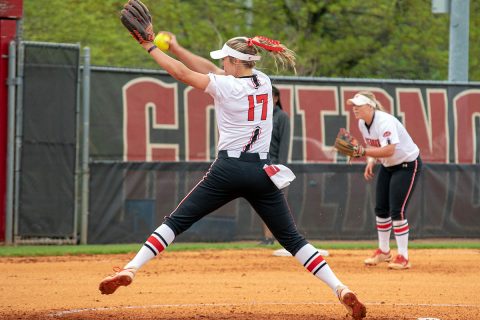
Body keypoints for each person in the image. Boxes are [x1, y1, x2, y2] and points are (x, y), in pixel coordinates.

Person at [101, 2, 366, 319]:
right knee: (293, 239)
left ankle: (131, 269)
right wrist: (177, 47)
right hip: (260, 171)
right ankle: (340, 288)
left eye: (225, 60)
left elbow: (185, 73)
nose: (221, 64)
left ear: (235, 63)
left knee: (176, 221)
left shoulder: (225, 86)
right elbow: (206, 68)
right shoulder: (264, 82)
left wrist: (149, 46)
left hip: (227, 170)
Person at [347, 91, 422, 270]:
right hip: (388, 166)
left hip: (407, 165)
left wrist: (362, 152)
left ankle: (403, 257)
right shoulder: (362, 123)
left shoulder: (384, 121)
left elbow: (388, 149)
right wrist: (370, 161)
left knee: (397, 211)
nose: (355, 108)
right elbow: (375, 147)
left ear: (370, 106)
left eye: (359, 105)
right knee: (381, 208)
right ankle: (384, 251)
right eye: (353, 105)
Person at [259, 86, 290, 245]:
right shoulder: (261, 115)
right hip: (262, 164)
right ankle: (268, 238)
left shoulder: (281, 116)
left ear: (276, 98)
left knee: (275, 205)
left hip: (275, 167)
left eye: (270, 95)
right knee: (264, 203)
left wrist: (280, 169)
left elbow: (284, 145)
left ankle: (277, 237)